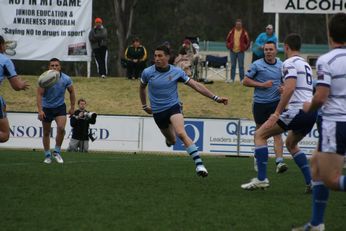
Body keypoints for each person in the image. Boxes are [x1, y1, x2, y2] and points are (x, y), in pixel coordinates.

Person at [241, 34, 316, 192]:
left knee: (260, 135)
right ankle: (311, 183)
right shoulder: (306, 64)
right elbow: (300, 87)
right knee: (291, 144)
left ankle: (261, 179)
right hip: (311, 112)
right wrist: (286, 90)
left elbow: (290, 88)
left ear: (286, 47)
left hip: (297, 110)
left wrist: (277, 112)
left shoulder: (288, 62)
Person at [292, 13, 346, 231]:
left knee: (331, 179)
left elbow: (321, 97)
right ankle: (316, 223)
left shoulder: (326, 60)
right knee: (315, 164)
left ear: (329, 34)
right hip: (337, 123)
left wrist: (308, 106)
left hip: (335, 123)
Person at [139, 45, 228, 177]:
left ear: (168, 57)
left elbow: (196, 85)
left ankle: (199, 164)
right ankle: (169, 140)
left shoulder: (177, 72)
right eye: (155, 56)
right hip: (158, 112)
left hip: (173, 107)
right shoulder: (147, 72)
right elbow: (141, 88)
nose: (157, 58)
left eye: (160, 56)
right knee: (172, 140)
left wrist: (216, 98)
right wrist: (145, 106)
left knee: (181, 133)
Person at [243, 41, 287, 174]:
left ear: (275, 51)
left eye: (271, 49)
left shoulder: (282, 65)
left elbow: (286, 83)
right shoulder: (257, 65)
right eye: (266, 49)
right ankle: (259, 158)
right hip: (260, 104)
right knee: (259, 132)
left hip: (275, 103)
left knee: (277, 133)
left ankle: (279, 162)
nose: (268, 52)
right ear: (264, 51)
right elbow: (245, 81)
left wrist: (283, 88)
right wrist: (262, 85)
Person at [37, 58, 76, 164]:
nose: (54, 67)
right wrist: (40, 110)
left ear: (60, 67)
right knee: (46, 132)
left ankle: (57, 152)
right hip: (46, 108)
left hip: (60, 107)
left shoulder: (66, 79)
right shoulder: (44, 79)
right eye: (52, 65)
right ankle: (47, 155)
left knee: (61, 128)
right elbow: (39, 94)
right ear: (49, 67)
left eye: (56, 65)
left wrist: (72, 107)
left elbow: (72, 92)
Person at [0, 35, 29, 142]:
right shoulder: (5, 61)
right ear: (1, 45)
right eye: (4, 44)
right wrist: (21, 84)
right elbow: (16, 86)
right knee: (4, 134)